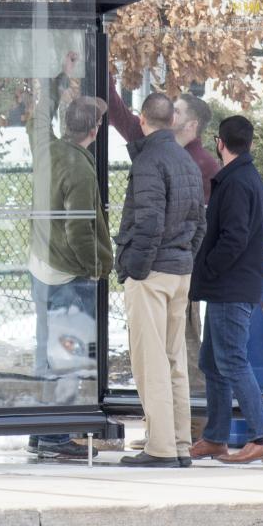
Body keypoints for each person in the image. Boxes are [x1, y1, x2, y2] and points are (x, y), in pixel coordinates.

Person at [114, 92, 206, 467]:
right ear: (171, 122)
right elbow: (200, 223)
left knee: (150, 362)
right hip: (180, 270)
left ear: (141, 119)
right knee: (174, 362)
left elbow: (148, 220)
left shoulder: (150, 160)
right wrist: (185, 256)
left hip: (152, 273)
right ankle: (181, 444)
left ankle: (161, 448)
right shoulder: (187, 161)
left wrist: (136, 267)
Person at [26, 90, 112, 460]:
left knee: (47, 353)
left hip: (41, 266)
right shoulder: (78, 168)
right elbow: (79, 230)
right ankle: (56, 437)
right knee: (67, 355)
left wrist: (59, 77)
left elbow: (36, 121)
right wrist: (97, 267)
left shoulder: (47, 149)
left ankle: (39, 430)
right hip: (67, 274)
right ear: (94, 130)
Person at [189, 115, 263, 464]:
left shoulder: (238, 182)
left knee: (232, 362)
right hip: (228, 286)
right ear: (250, 143)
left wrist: (208, 268)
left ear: (220, 143)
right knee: (211, 362)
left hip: (230, 286)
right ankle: (215, 436)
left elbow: (234, 237)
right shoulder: (242, 178)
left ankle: (262, 436)